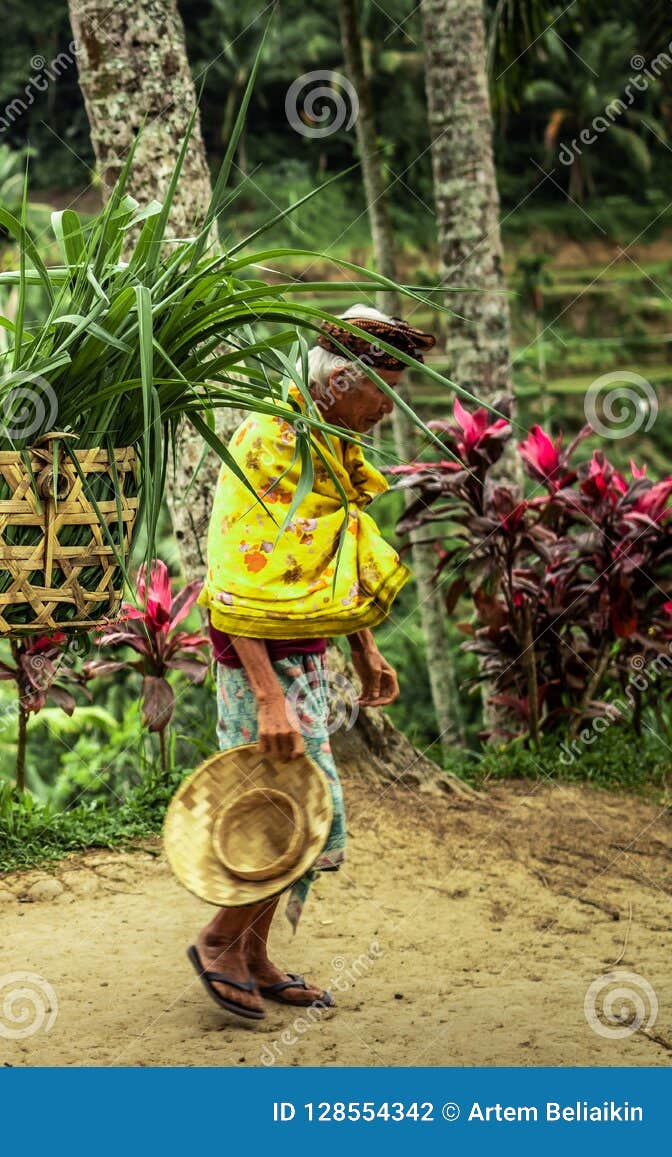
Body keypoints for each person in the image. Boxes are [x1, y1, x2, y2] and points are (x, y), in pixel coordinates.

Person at [189, 304, 433, 1020]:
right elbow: (233, 580)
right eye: (380, 395)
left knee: (298, 809)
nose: (386, 413)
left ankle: (255, 958)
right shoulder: (267, 442)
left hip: (307, 662)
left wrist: (363, 646)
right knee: (288, 814)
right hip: (255, 667)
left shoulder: (329, 444)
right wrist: (267, 696)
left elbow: (326, 561)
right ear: (338, 381)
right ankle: (217, 940)